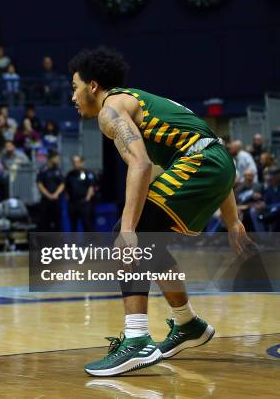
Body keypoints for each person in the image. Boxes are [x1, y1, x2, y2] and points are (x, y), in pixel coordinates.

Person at [68, 47, 251, 376]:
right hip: (215, 163)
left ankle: (137, 339)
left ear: (92, 85)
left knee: (129, 236)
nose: (73, 97)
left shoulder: (112, 109)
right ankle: (188, 325)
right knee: (153, 243)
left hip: (205, 163)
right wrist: (233, 219)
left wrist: (127, 229)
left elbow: (141, 164)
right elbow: (210, 146)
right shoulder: (138, 102)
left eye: (74, 87)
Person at [64, 155, 95, 231]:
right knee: (73, 225)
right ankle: (74, 242)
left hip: (84, 203)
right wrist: (68, 199)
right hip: (72, 203)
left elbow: (91, 186)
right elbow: (66, 187)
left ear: (82, 162)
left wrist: (87, 198)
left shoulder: (88, 173)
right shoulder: (69, 174)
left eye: (77, 162)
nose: (75, 164)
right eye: (74, 162)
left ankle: (89, 242)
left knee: (87, 225)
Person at [36, 150, 64, 231]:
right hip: (45, 199)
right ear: (51, 158)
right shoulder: (43, 169)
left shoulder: (58, 170)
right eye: (57, 158)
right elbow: (39, 184)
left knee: (57, 222)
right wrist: (48, 195)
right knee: (45, 222)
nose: (58, 160)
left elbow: (62, 183)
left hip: (56, 199)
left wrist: (56, 194)